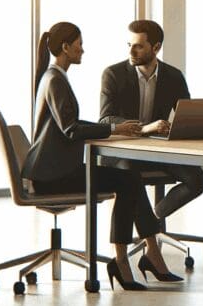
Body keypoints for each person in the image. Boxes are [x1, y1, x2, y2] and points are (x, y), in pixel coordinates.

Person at [22, 22, 179, 291]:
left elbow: (69, 122)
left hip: (50, 171)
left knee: (128, 179)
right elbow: (71, 129)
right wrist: (114, 128)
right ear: (66, 48)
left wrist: (111, 129)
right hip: (51, 176)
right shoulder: (55, 79)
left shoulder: (54, 76)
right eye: (79, 44)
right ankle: (123, 261)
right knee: (128, 180)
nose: (83, 50)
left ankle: (134, 258)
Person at [100, 19, 203, 231]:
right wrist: (145, 128)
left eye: (139, 46)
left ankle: (154, 216)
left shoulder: (174, 76)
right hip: (123, 152)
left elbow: (186, 115)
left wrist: (179, 126)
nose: (132, 51)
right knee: (128, 176)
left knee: (197, 180)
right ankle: (145, 231)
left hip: (158, 151)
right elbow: (106, 119)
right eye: (129, 45)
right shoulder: (113, 74)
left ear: (156, 47)